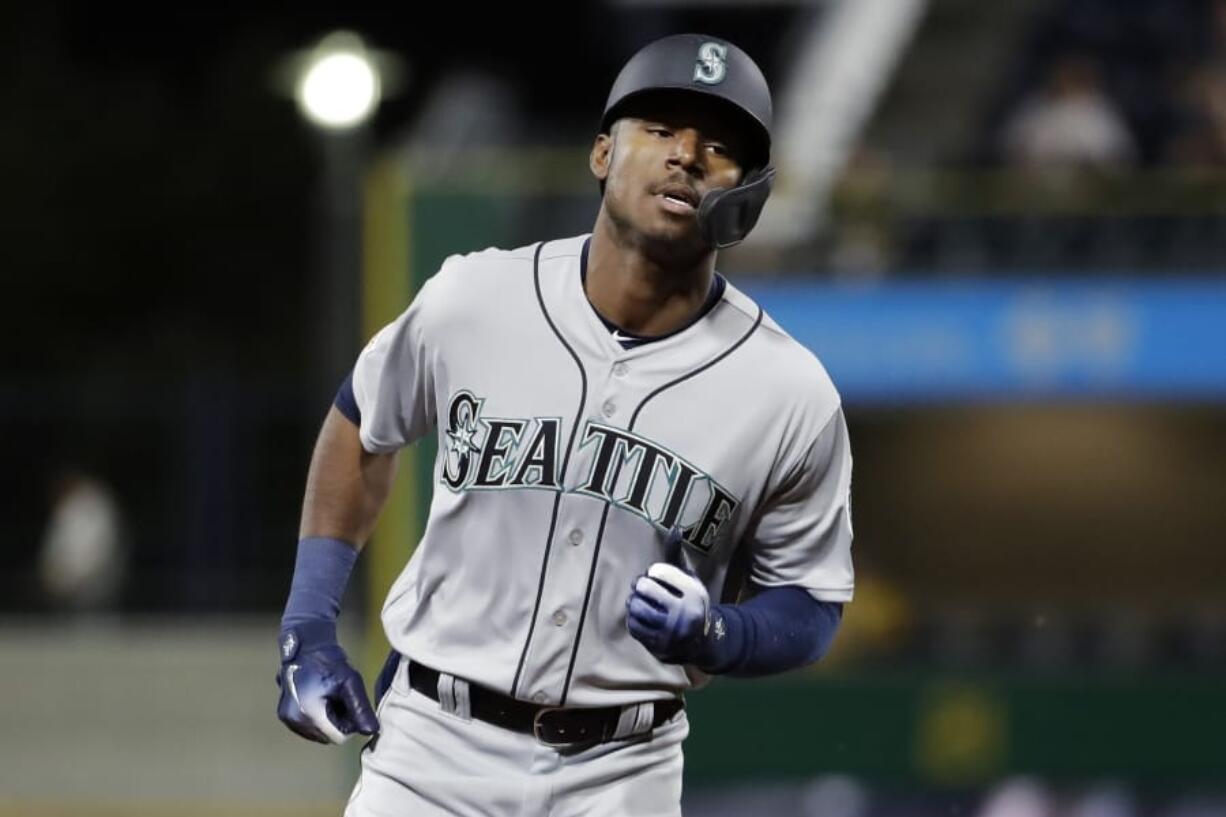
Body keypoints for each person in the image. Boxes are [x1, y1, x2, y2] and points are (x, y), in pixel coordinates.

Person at [275, 33, 855, 817]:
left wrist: (719, 631)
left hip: (622, 773)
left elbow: (812, 602)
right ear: (601, 154)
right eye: (659, 130)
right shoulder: (474, 298)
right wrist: (308, 625)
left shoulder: (789, 391)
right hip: (431, 752)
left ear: (749, 192)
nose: (685, 155)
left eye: (718, 147)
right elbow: (359, 423)